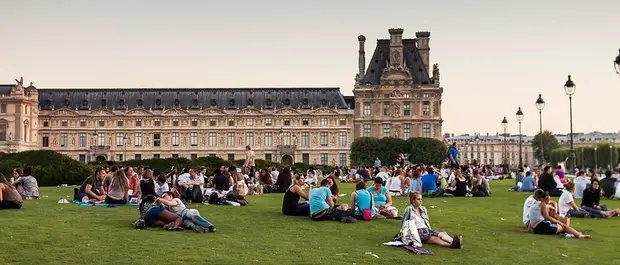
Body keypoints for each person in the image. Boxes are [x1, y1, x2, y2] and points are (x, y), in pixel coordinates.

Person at [398, 192, 462, 248]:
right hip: (418, 232)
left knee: (443, 234)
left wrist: (430, 231)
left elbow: (426, 221)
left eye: (421, 199)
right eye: (418, 199)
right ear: (413, 200)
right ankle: (452, 245)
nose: (420, 201)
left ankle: (455, 242)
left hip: (427, 230)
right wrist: (403, 235)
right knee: (436, 239)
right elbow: (404, 223)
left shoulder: (423, 209)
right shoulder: (409, 209)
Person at [526, 191, 591, 239]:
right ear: (542, 199)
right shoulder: (543, 204)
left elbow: (531, 217)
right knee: (563, 227)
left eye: (549, 199)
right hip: (542, 226)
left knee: (561, 226)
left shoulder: (535, 204)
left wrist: (528, 230)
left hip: (536, 229)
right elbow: (547, 217)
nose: (548, 201)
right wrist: (560, 223)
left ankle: (575, 233)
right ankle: (578, 235)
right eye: (547, 199)